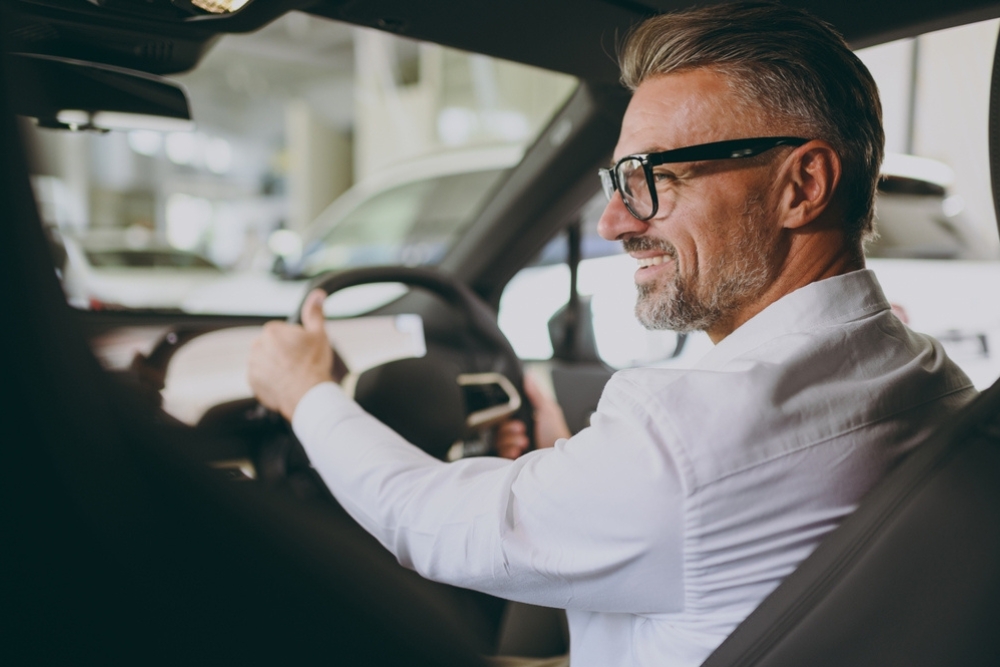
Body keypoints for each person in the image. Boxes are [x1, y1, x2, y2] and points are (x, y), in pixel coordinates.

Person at [247, 3, 977, 665]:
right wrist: (574, 466)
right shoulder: (928, 378)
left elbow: (425, 521)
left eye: (654, 176)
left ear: (802, 185)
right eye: (618, 180)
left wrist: (305, 391)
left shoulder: (685, 440)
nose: (614, 222)